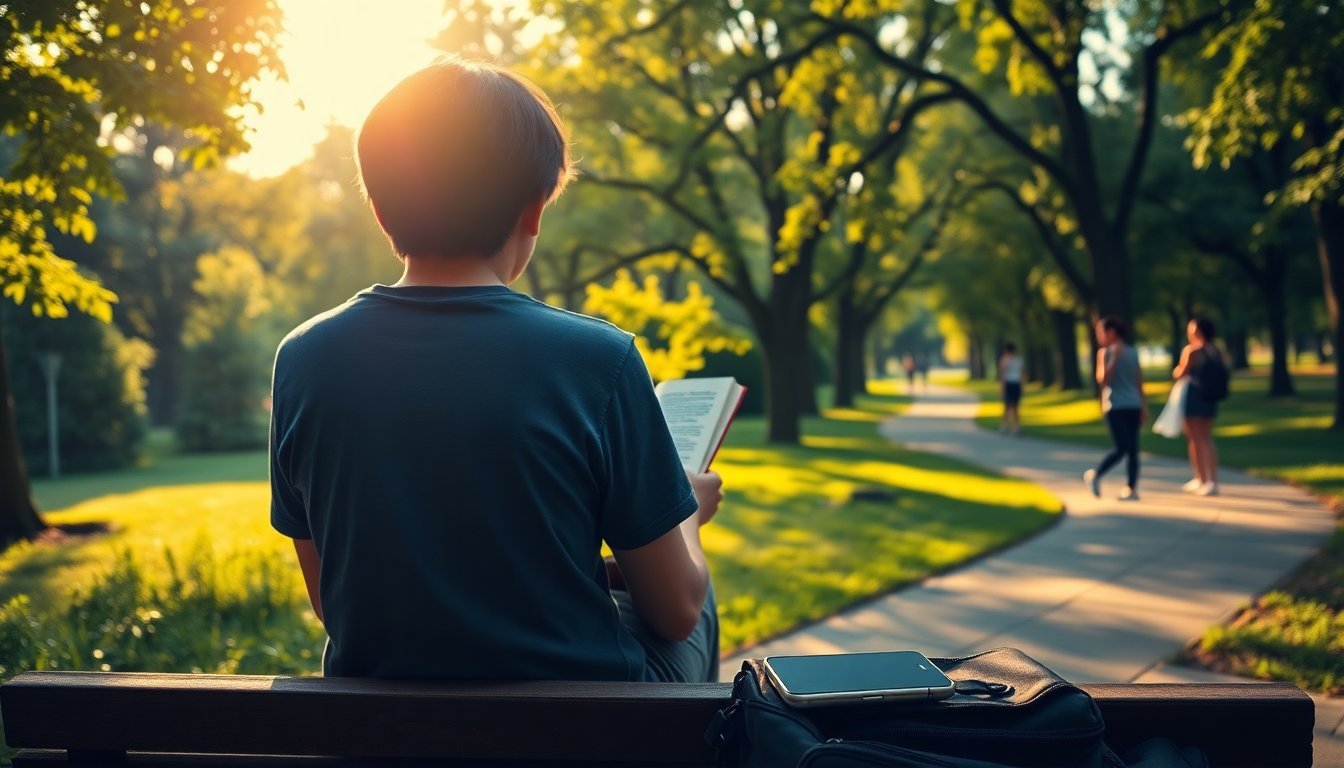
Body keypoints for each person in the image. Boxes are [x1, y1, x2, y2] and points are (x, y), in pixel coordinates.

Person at [269, 57, 722, 684]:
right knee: (700, 597)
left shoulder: (304, 357)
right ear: (532, 210)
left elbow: (334, 601)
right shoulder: (598, 359)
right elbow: (675, 612)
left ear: (381, 211)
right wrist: (687, 514)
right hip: (581, 722)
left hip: (382, 716)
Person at [1083, 317, 1147, 501]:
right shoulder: (1104, 353)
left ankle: (1131, 488)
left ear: (1111, 332)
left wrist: (1143, 406)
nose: (1099, 337)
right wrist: (1115, 358)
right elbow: (1103, 379)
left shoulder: (1132, 352)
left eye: (1101, 333)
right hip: (1114, 405)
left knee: (1133, 449)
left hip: (1132, 404)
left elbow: (1138, 380)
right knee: (1121, 448)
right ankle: (1096, 475)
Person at [1172, 317, 1222, 496]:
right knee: (1206, 438)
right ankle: (1211, 480)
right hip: (1210, 398)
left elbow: (1179, 372)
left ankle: (1202, 478)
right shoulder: (1216, 350)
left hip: (1194, 397)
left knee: (1195, 439)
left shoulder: (1191, 351)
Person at [998, 343, 1023, 435]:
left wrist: (1002, 387)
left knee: (1007, 406)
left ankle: (1004, 425)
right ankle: (1016, 427)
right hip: (1016, 384)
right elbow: (1021, 375)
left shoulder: (1004, 360)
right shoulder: (1018, 360)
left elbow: (1003, 374)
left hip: (1008, 384)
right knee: (1015, 407)